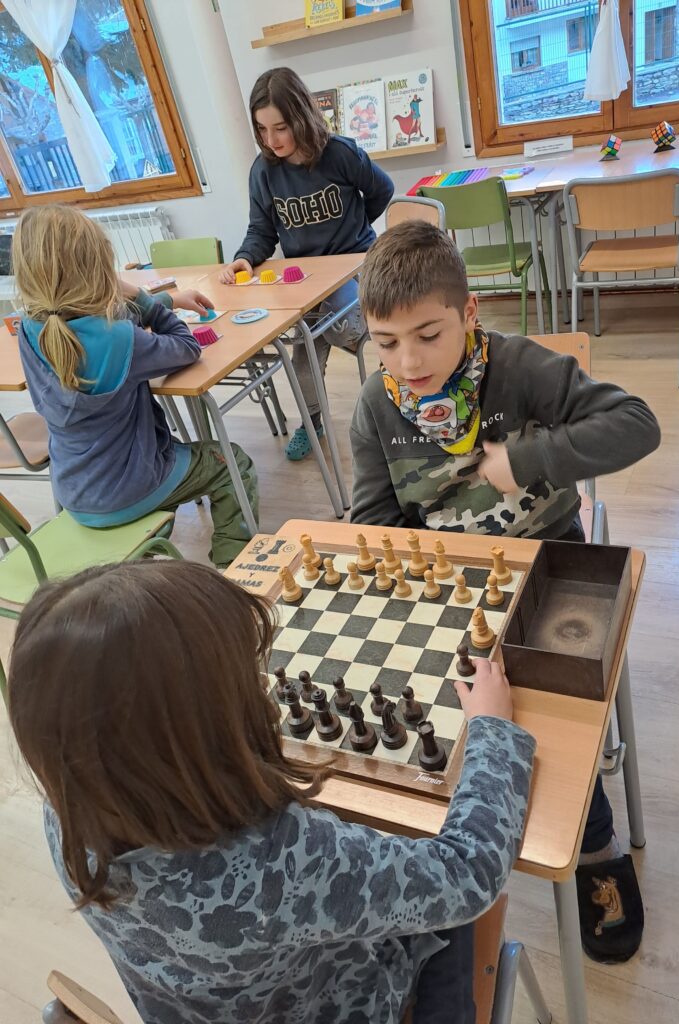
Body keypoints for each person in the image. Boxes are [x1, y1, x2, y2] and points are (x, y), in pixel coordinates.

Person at [8, 560, 536, 1024]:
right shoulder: (285, 861)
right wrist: (492, 730)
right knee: (456, 920)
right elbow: (469, 873)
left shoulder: (69, 817)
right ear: (202, 735)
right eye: (241, 682)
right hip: (348, 1007)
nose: (259, 692)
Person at [351, 220, 661, 964]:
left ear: (469, 312)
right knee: (406, 708)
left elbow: (637, 425)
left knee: (546, 712)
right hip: (458, 591)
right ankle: (448, 832)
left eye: (428, 335)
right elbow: (373, 519)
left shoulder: (520, 370)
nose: (408, 361)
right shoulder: (376, 407)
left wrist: (529, 457)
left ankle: (594, 843)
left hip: (552, 570)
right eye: (385, 342)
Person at [12, 205, 259, 569]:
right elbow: (187, 346)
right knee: (231, 463)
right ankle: (233, 566)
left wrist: (167, 298)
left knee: (173, 455)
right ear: (99, 270)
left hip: (74, 493)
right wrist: (140, 295)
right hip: (130, 489)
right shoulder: (120, 339)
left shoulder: (30, 330)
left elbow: (105, 324)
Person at [219, 67, 394, 461]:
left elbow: (382, 190)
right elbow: (261, 230)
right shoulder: (263, 171)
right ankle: (313, 421)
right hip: (306, 282)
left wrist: (357, 232)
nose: (271, 140)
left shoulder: (340, 154)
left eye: (280, 128)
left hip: (353, 270)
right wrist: (244, 258)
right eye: (262, 129)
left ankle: (386, 397)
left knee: (342, 327)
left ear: (301, 117)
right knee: (302, 359)